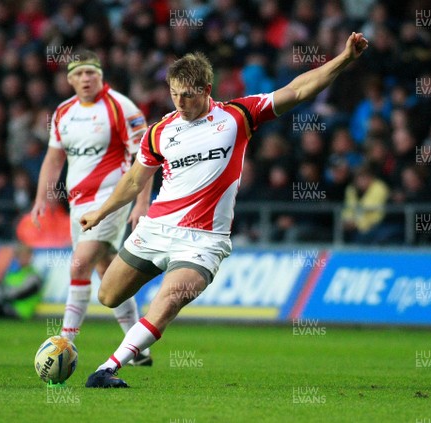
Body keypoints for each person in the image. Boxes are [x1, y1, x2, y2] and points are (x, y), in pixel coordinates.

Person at [79, 33, 369, 388]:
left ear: (206, 88)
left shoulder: (237, 116)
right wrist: (102, 212)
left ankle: (109, 367)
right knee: (109, 295)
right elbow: (135, 181)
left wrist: (344, 59)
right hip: (156, 229)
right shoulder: (159, 132)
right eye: (174, 93)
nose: (180, 101)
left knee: (169, 300)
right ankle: (134, 341)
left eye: (187, 94)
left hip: (204, 240)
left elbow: (298, 89)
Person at [30, 51, 153, 364]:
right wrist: (42, 196)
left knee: (79, 263)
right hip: (77, 203)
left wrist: (141, 203)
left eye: (91, 73)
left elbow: (146, 160)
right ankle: (139, 348)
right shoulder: (62, 113)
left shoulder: (122, 107)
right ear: (70, 79)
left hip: (111, 200)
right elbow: (54, 158)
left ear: (100, 75)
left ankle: (63, 343)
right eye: (79, 74)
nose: (86, 79)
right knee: (107, 270)